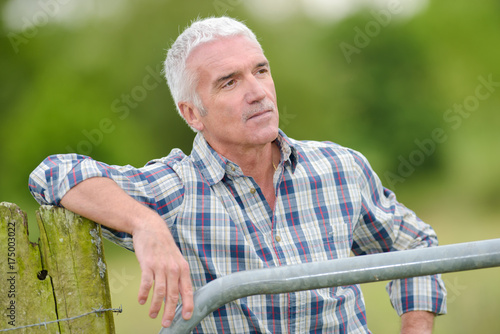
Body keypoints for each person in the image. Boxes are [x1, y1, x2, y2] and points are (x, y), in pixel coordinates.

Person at [28, 16, 447, 333]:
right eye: (229, 82)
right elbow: (52, 172)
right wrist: (145, 222)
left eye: (260, 71)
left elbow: (414, 244)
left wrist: (414, 326)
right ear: (192, 113)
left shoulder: (339, 168)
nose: (257, 92)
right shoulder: (178, 186)